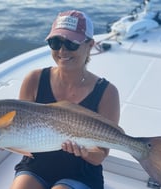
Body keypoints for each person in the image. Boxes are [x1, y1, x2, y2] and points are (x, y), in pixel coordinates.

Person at [9, 10, 120, 189]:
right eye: (55, 42)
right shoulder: (34, 80)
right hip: (36, 165)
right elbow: (18, 132)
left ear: (90, 45)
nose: (62, 50)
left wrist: (84, 152)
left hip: (81, 172)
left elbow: (100, 155)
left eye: (71, 43)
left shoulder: (107, 92)